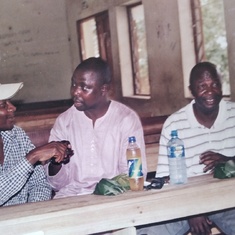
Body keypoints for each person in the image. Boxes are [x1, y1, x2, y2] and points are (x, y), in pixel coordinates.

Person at [137, 61, 235, 235]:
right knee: (149, 232)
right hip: (184, 201)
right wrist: (191, 209)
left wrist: (230, 161)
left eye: (215, 85)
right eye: (202, 86)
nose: (210, 91)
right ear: (192, 90)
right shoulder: (175, 124)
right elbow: (164, 180)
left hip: (229, 201)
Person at [44, 57, 147, 198]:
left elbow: (132, 175)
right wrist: (56, 164)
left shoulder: (125, 119)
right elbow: (57, 185)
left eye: (84, 87)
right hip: (72, 198)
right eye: (73, 84)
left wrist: (104, 192)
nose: (75, 92)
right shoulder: (65, 121)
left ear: (103, 89)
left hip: (113, 197)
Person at [0, 82, 72, 207]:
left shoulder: (16, 135)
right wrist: (32, 157)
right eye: (3, 104)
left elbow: (40, 184)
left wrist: (32, 214)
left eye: (10, 102)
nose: (13, 107)